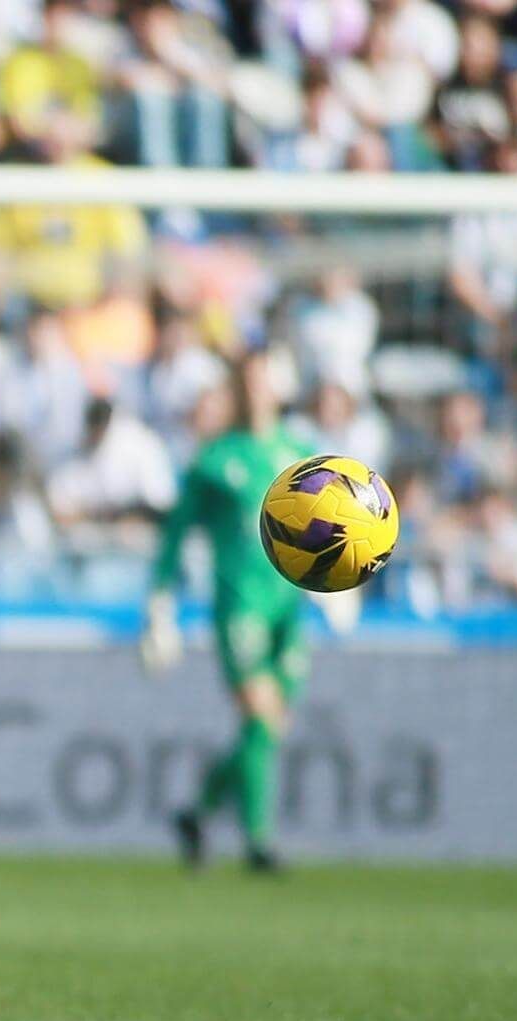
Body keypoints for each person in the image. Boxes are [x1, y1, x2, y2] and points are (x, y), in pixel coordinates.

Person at [141, 357, 315, 874]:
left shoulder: (300, 456)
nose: (257, 391)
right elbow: (175, 536)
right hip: (238, 605)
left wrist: (343, 587)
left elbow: (329, 531)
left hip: (290, 604)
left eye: (265, 381)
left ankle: (197, 814)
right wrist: (160, 604)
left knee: (269, 728)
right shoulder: (216, 460)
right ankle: (258, 842)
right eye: (248, 382)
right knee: (260, 716)